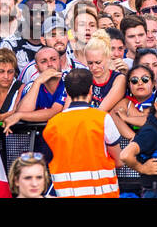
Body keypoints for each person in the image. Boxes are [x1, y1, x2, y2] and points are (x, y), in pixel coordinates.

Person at [39, 68, 122, 198]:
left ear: (66, 92)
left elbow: (48, 160)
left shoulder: (53, 123)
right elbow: (119, 160)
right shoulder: (102, 118)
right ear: (91, 89)